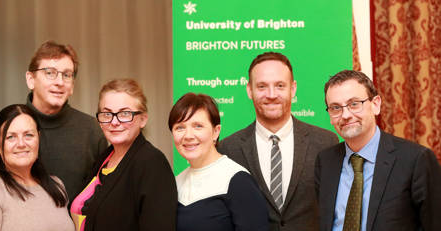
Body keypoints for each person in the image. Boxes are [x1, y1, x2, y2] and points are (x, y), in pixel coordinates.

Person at [0, 41, 108, 204]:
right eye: (50, 73)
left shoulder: (91, 130)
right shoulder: (3, 130)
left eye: (67, 74)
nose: (59, 82)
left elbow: (102, 198)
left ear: (72, 86)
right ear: (31, 79)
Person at [218, 52, 339, 231]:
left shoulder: (325, 142)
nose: (271, 94)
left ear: (293, 88)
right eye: (262, 86)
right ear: (249, 90)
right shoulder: (228, 149)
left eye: (280, 85)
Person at [315, 70, 441, 231]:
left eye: (354, 104)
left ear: (375, 104)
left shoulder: (416, 160)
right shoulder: (325, 161)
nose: (345, 115)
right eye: (335, 108)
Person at [70, 79, 177, 231]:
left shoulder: (152, 164)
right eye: (107, 114)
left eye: (125, 113)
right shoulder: (104, 158)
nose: (114, 122)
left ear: (143, 119)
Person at [169, 92, 269, 231]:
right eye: (180, 127)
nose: (188, 136)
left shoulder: (237, 180)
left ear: (216, 131)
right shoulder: (176, 183)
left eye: (198, 126)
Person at [0, 104, 74, 231]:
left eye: (28, 135)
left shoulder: (57, 185)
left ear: (38, 138)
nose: (21, 144)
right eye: (11, 137)